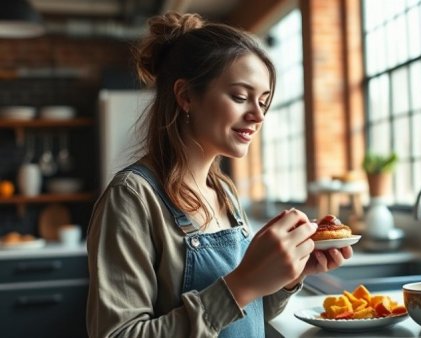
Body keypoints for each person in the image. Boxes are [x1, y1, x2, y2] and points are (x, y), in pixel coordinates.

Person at [86, 11, 353, 338]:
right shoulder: (131, 198)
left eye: (263, 101)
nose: (258, 115)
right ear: (185, 96)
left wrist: (290, 276)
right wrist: (241, 284)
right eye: (240, 97)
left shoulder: (224, 191)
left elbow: (246, 311)